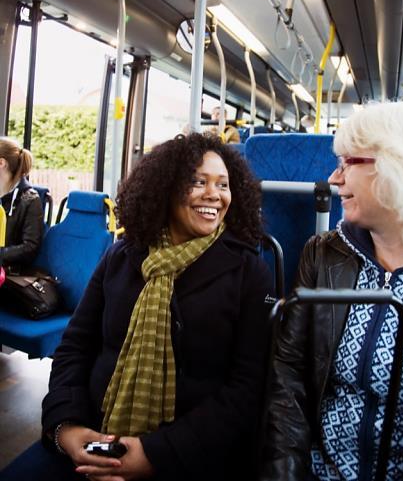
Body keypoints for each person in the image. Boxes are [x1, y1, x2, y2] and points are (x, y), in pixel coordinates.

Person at [0, 133, 273, 481]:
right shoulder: (123, 255)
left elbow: (248, 389)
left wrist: (156, 453)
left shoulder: (249, 272)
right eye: (198, 181)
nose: (214, 195)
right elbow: (75, 347)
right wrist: (65, 427)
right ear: (166, 188)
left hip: (189, 454)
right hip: (93, 433)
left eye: (223, 184)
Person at [259, 100, 403, 481]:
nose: (333, 179)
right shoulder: (325, 254)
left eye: (347, 163)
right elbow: (289, 382)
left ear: (394, 166)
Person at [0, 137, 43, 268]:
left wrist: (1, 254)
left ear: (1, 163)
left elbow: (29, 248)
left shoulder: (30, 199)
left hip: (9, 272)